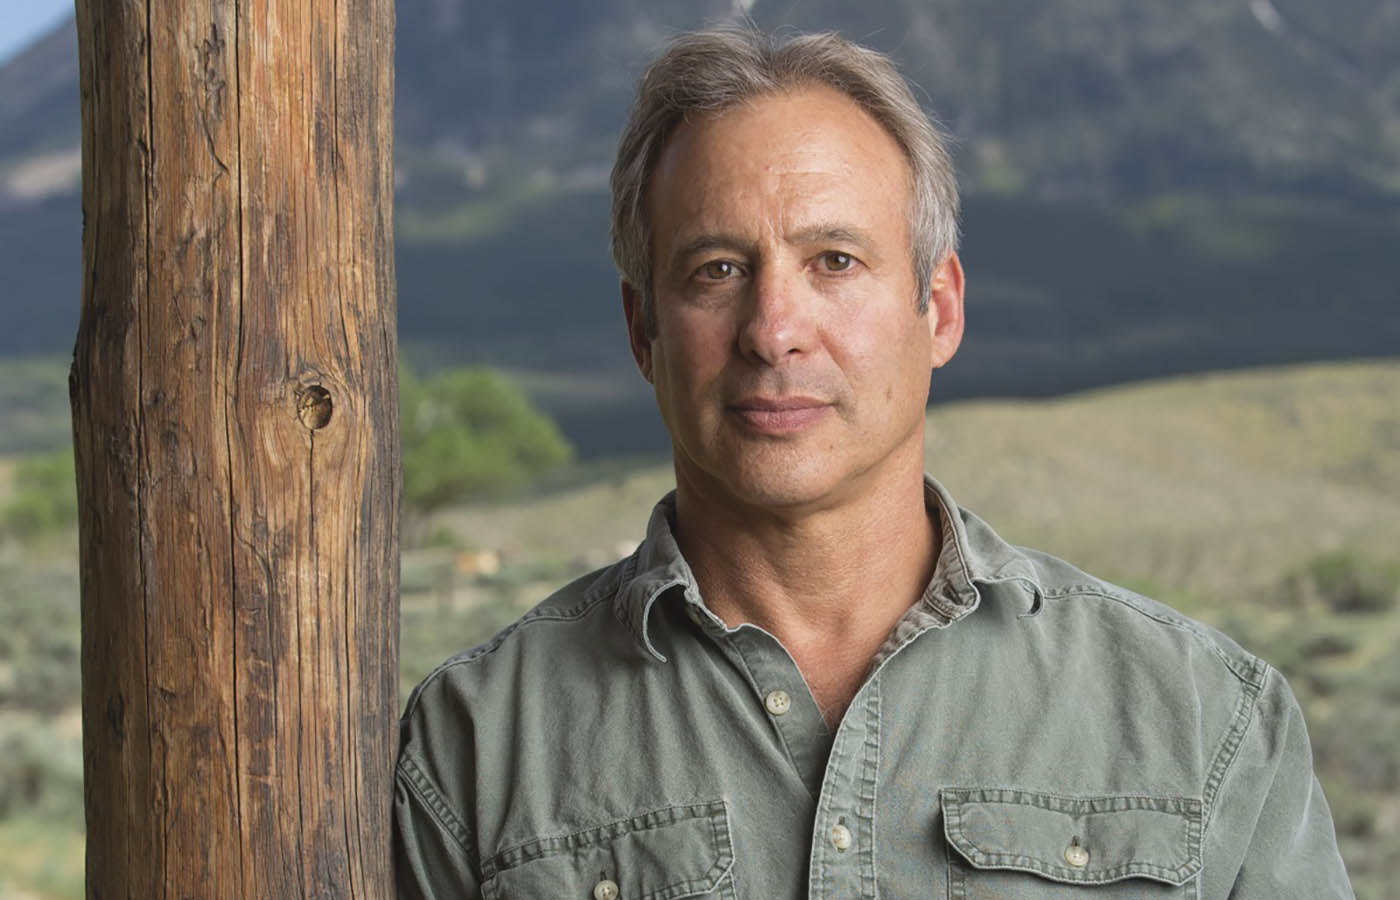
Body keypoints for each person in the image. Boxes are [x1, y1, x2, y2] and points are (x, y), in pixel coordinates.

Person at [393, 27, 1354, 899]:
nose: (774, 331)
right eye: (716, 270)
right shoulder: (478, 745)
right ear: (644, 330)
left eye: (836, 262)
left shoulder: (1207, 722)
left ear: (939, 309)